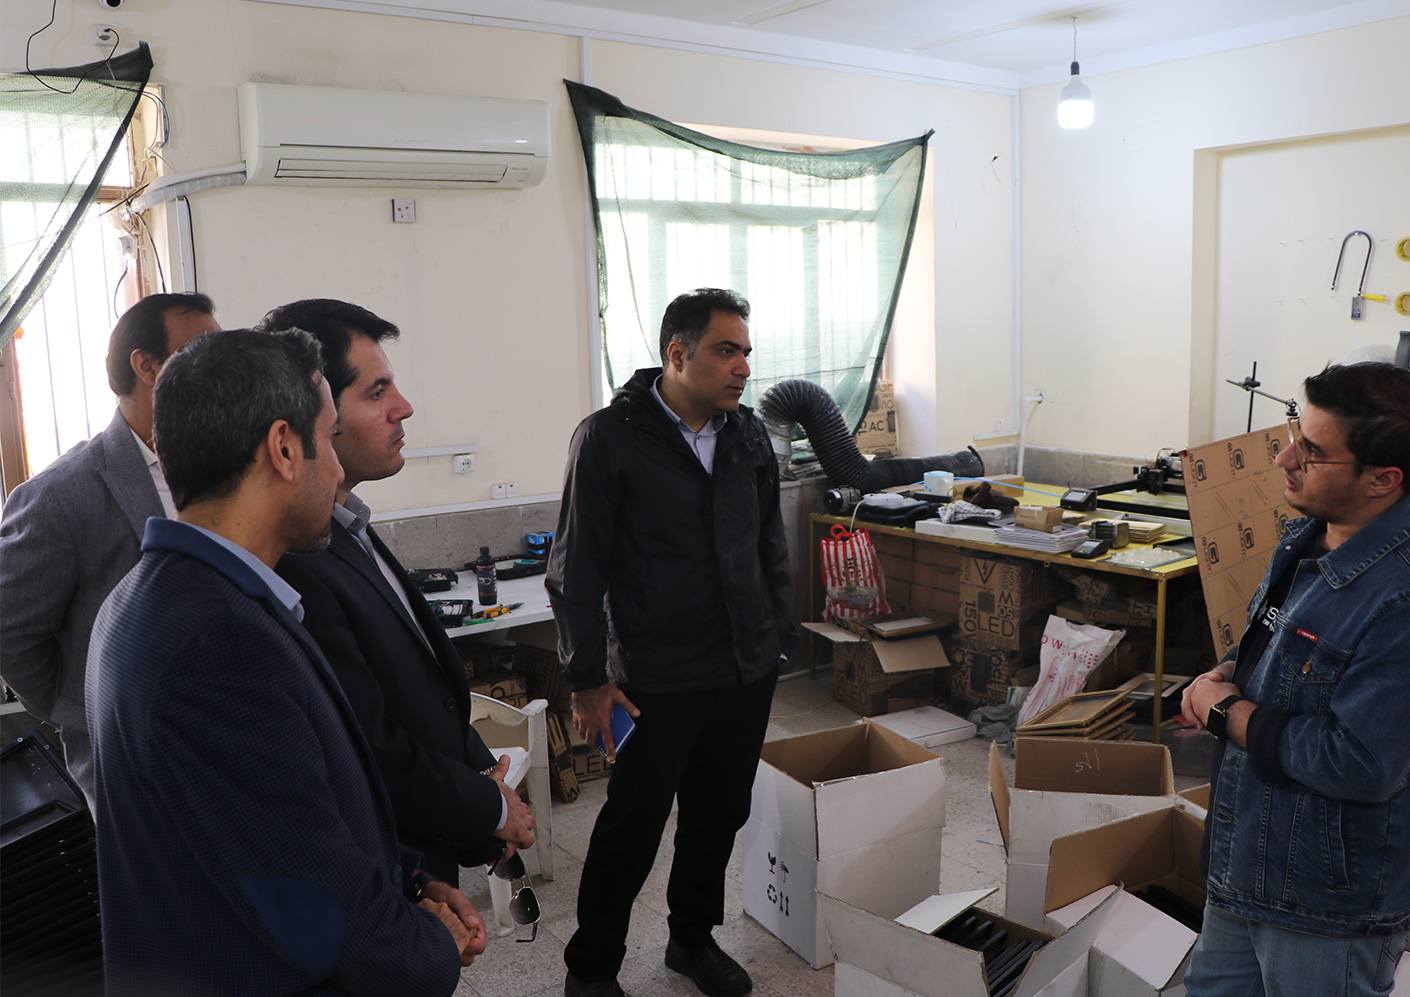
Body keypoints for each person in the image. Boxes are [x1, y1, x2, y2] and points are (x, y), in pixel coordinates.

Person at [86, 328, 485, 995]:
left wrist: (408, 879)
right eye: (328, 439)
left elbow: (284, 817)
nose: (338, 471)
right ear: (284, 449)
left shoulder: (162, 595)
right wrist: (431, 944)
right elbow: (315, 907)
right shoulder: (215, 645)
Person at [547, 288, 796, 997]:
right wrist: (587, 679)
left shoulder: (748, 436)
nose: (742, 366)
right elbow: (574, 568)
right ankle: (592, 969)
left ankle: (692, 939)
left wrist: (775, 638)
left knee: (718, 815)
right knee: (633, 825)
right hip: (655, 678)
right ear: (677, 354)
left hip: (743, 671)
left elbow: (769, 545)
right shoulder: (609, 438)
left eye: (746, 352)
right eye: (727, 350)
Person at [261, 299, 534, 884]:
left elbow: (425, 698)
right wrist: (486, 808)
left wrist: (487, 783)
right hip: (389, 865)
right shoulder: (296, 561)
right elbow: (370, 747)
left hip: (428, 847)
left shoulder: (350, 525)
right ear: (315, 411)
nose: (403, 408)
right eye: (377, 391)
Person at [1180, 361, 1410, 997]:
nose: (1284, 459)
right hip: (1243, 859)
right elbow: (1280, 649)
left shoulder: (1398, 596)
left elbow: (1361, 763)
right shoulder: (1308, 536)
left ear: (1382, 479)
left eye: (1311, 451)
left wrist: (1226, 713)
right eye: (1293, 436)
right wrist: (1230, 672)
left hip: (1322, 902)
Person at [0, 292, 219, 802]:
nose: (222, 367)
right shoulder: (62, 493)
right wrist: (82, 709)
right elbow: (9, 628)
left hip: (226, 742)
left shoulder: (227, 465)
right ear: (146, 366)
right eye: (202, 351)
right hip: (134, 766)